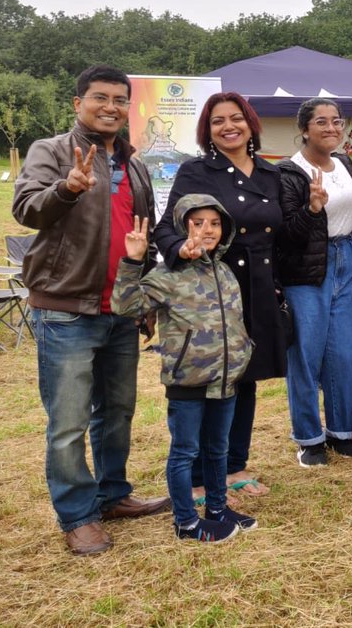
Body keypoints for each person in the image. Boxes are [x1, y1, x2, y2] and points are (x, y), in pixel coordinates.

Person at [11, 65, 170, 555]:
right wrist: (68, 188)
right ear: (77, 102)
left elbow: (141, 236)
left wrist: (144, 298)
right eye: (100, 97)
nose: (111, 107)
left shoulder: (135, 164)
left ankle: (113, 494)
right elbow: (25, 208)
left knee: (117, 412)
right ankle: (77, 515)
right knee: (68, 422)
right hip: (66, 310)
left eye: (120, 99)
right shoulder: (53, 151)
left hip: (120, 310)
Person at [153, 92, 284, 500]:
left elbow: (281, 233)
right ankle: (195, 475)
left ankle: (233, 466)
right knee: (208, 377)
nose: (228, 127)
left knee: (245, 376)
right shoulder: (196, 171)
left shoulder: (269, 173)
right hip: (212, 288)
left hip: (259, 288)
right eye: (217, 121)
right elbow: (165, 228)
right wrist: (181, 250)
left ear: (250, 123)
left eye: (236, 118)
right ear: (206, 130)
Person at [112, 196, 256, 543]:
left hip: (225, 380)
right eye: (197, 223)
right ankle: (186, 522)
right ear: (181, 227)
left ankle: (218, 509)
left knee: (217, 449)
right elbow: (126, 306)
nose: (207, 230)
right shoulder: (167, 275)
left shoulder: (224, 271)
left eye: (215, 223)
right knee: (185, 452)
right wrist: (132, 261)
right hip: (188, 381)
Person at [277, 99, 352, 467]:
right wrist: (311, 210)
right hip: (307, 269)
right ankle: (309, 438)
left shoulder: (345, 163)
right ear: (304, 128)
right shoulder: (288, 172)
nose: (331, 128)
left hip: (348, 260)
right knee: (307, 354)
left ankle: (341, 431)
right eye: (321, 122)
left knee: (346, 352)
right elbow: (285, 234)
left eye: (336, 121)